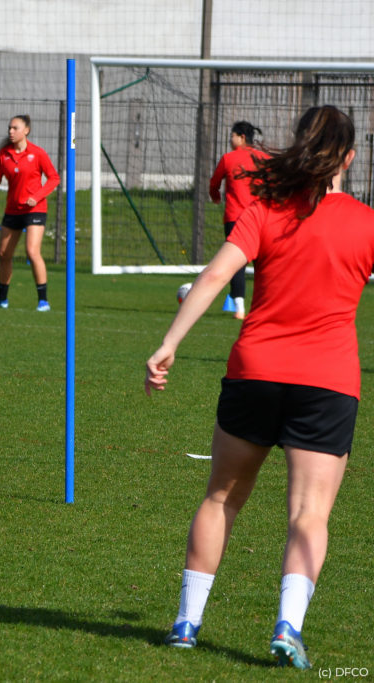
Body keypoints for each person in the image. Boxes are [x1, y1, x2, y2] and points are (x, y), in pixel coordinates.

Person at [145, 105, 374, 669]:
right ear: (349, 158)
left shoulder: (265, 208)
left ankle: (186, 624)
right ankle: (287, 627)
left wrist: (170, 341)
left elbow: (217, 275)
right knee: (309, 515)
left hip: (255, 372)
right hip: (328, 384)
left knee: (221, 497)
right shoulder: (366, 222)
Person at [0, 115, 59, 311]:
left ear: (26, 130)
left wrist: (37, 196)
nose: (11, 131)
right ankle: (1, 299)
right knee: (4, 254)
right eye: (9, 128)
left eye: (15, 128)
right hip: (13, 209)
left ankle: (43, 300)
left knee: (32, 251)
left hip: (35, 209)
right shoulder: (4, 153)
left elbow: (54, 178)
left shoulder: (37, 153)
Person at [208, 121, 269, 319]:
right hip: (261, 219)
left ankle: (240, 308)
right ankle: (264, 307)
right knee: (264, 264)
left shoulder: (228, 158)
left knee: (236, 264)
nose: (229, 139)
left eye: (232, 135)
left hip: (235, 218)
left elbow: (214, 183)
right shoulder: (264, 159)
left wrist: (216, 197)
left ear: (241, 137)